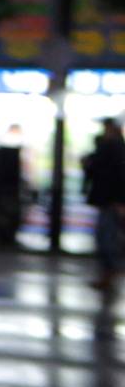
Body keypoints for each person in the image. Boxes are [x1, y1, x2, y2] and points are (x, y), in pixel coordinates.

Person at [85, 118, 125, 293]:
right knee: (106, 237)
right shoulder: (113, 147)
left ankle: (110, 272)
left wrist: (119, 201)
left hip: (110, 201)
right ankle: (108, 273)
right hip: (109, 200)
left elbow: (115, 176)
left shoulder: (114, 148)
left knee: (107, 238)